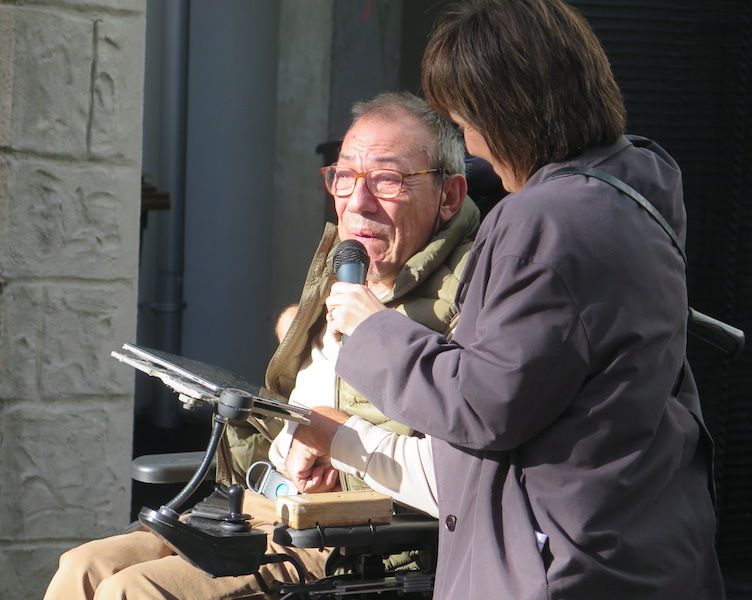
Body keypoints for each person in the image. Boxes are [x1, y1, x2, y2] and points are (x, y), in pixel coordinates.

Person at [318, 1, 726, 599]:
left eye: (464, 120)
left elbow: (485, 404)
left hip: (559, 565)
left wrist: (371, 326)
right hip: (648, 540)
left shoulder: (543, 219)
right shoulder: (636, 188)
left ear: (507, 111)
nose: (472, 143)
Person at [43, 91, 479, 599]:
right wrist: (291, 437)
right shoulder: (345, 267)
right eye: (344, 177)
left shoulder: (475, 290)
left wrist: (339, 446)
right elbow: (303, 409)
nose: (357, 203)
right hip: (260, 503)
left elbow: (460, 466)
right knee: (82, 568)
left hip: (347, 535)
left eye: (386, 180)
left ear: (448, 195)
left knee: (132, 592)